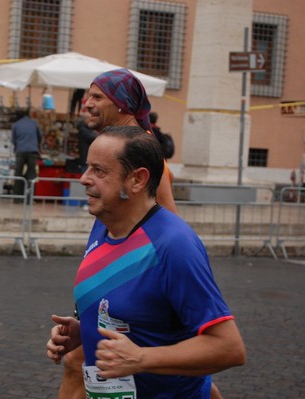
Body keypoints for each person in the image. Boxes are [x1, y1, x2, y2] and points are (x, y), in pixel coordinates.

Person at [47, 126, 246, 398]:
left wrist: (141, 358)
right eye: (87, 167)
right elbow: (138, 313)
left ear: (137, 180)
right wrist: (86, 329)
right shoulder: (103, 224)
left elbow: (229, 348)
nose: (84, 178)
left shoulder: (175, 245)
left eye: (99, 170)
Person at [11, 109, 42, 198]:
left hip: (20, 151)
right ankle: (29, 198)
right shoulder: (34, 123)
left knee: (18, 174)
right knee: (31, 174)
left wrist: (19, 145)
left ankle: (17, 198)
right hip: (32, 151)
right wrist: (36, 145)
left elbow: (13, 140)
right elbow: (39, 136)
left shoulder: (15, 125)